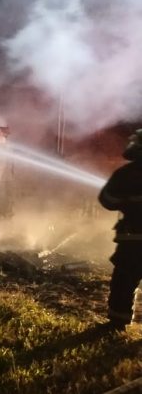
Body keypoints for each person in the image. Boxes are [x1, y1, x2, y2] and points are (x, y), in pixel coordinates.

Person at [99, 129, 142, 328]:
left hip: (132, 238)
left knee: (124, 281)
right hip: (132, 236)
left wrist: (127, 202)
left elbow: (107, 199)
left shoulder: (126, 174)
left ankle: (117, 322)